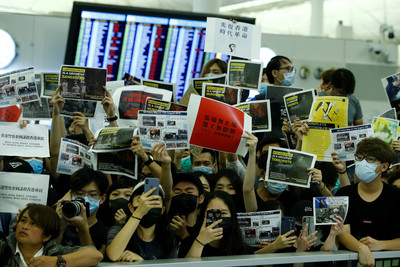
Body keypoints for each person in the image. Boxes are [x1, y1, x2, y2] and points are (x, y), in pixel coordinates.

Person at [336, 138, 400, 267]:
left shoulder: (396, 196)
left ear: (384, 166)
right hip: (350, 262)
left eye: (370, 159)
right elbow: (342, 232)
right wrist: (361, 248)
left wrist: (381, 245)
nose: (362, 162)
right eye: (359, 157)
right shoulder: (343, 194)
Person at [0, 203, 103, 266]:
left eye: (34, 223)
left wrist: (56, 262)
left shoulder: (55, 252)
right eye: (23, 220)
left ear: (47, 236)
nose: (25, 226)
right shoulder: (4, 248)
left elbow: (95, 255)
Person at [106, 181, 177, 262]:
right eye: (141, 200)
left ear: (162, 210)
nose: (147, 205)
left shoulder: (169, 238)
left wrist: (142, 262)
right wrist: (139, 213)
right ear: (131, 207)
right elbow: (113, 255)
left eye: (154, 200)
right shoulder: (117, 230)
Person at [56, 167, 109, 254]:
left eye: (92, 194)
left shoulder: (106, 232)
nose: (85, 199)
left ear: (102, 199)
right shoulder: (62, 221)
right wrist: (59, 226)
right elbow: (48, 254)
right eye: (79, 194)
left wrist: (83, 228)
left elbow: (93, 258)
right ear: (71, 195)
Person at [185, 191, 247, 257]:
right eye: (212, 213)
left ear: (232, 216)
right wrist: (200, 241)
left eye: (223, 213)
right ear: (203, 215)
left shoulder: (242, 248)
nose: (218, 219)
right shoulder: (189, 243)